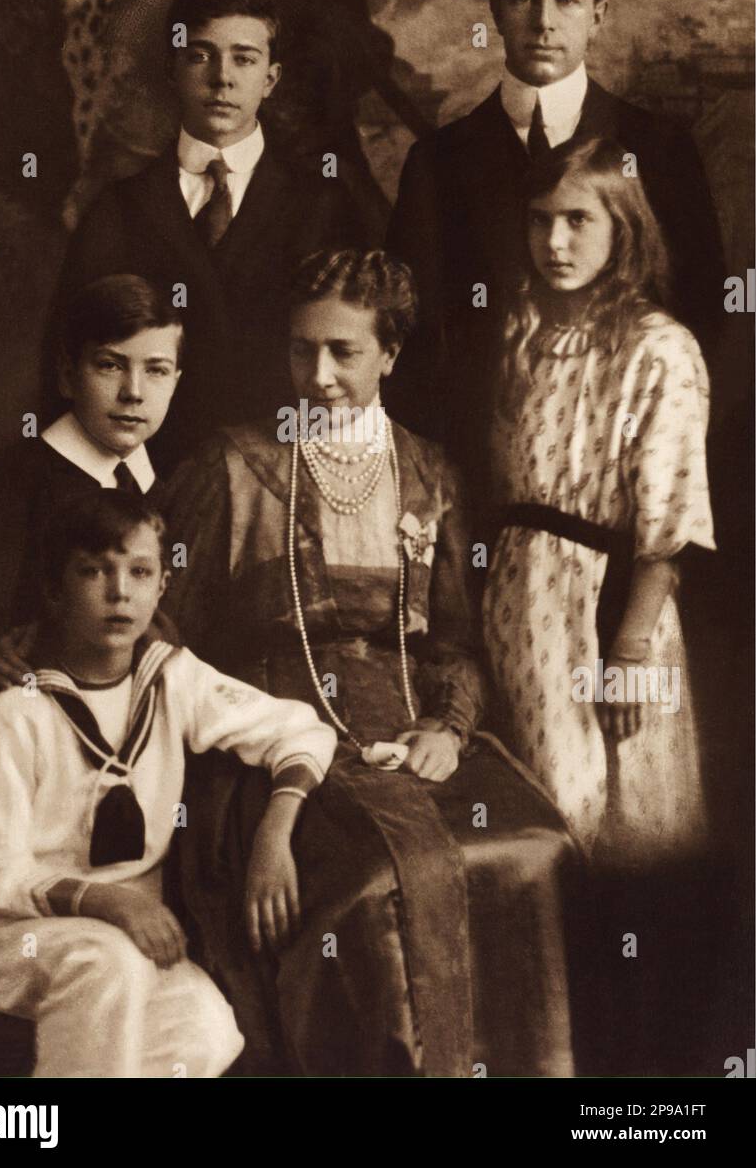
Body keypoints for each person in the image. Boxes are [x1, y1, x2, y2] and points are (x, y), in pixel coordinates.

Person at [161, 249, 578, 1078]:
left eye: (343, 352)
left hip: (409, 731)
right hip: (265, 742)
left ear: (389, 353)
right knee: (370, 880)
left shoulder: (428, 473)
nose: (317, 375)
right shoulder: (233, 466)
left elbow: (453, 641)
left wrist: (449, 730)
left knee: (535, 848)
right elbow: (163, 629)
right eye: (300, 349)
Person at [0, 490, 336, 1079]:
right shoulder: (14, 715)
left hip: (132, 935)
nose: (119, 592)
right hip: (16, 935)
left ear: (161, 589)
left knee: (207, 1033)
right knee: (107, 968)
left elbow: (301, 730)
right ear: (53, 593)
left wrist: (274, 832)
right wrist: (107, 900)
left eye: (139, 571)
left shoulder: (172, 682)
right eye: (92, 571)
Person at [386, 0, 725, 494]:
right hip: (474, 483)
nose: (544, 23)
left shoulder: (659, 151)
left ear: (598, 16)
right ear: (495, 11)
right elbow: (410, 344)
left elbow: (700, 319)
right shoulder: (438, 162)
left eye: (566, 1)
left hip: (618, 482)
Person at [482, 137, 715, 863]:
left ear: (621, 229)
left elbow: (669, 528)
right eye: (538, 219)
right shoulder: (518, 336)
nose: (554, 241)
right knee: (526, 824)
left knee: (608, 819)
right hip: (518, 608)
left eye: (578, 220)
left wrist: (628, 654)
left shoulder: (657, 348)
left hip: (605, 611)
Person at [48, 0, 361, 472]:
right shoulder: (120, 209)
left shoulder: (321, 206)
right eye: (200, 55)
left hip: (280, 480)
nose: (222, 78)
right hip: (146, 485)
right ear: (171, 68)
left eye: (244, 58)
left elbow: (350, 366)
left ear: (271, 79)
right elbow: (65, 365)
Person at [0, 273, 183, 822]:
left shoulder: (168, 486)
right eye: (109, 365)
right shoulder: (12, 483)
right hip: (16, 750)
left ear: (176, 379)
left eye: (155, 370)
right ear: (67, 373)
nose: (134, 391)